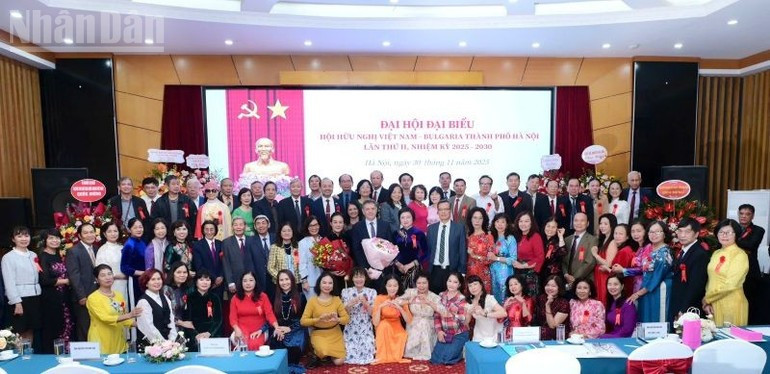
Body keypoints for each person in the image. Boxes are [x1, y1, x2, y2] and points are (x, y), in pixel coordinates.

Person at [87, 264, 142, 354]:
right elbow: (105, 318)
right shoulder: (93, 298)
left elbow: (124, 319)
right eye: (103, 275)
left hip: (119, 343)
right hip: (101, 343)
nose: (107, 277)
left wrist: (142, 325)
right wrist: (129, 315)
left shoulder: (119, 295)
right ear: (97, 280)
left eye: (109, 274)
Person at [704, 219, 749, 326]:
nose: (724, 235)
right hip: (713, 302)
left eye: (728, 232)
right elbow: (711, 279)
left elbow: (731, 284)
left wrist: (708, 298)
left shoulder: (740, 255)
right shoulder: (716, 253)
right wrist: (707, 301)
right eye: (721, 232)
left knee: (730, 339)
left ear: (736, 235)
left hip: (731, 303)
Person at [626, 221, 673, 323]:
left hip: (658, 290)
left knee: (656, 321)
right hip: (646, 290)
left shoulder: (664, 253)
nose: (653, 235)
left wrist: (638, 294)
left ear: (664, 234)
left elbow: (656, 278)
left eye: (657, 232)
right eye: (651, 232)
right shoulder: (650, 249)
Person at [301, 272, 351, 367]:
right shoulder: (312, 301)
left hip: (335, 333)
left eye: (330, 283)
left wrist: (338, 320)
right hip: (319, 334)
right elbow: (303, 321)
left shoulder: (336, 299)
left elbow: (346, 319)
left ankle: (325, 356)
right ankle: (318, 354)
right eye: (324, 282)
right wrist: (317, 320)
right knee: (323, 350)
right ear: (319, 284)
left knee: (339, 362)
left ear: (333, 286)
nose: (327, 285)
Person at [2, 226, 42, 343]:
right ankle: (20, 357)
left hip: (35, 297)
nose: (23, 239)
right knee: (20, 331)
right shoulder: (8, 257)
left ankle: (29, 356)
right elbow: (9, 282)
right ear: (13, 239)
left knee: (31, 330)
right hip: (20, 299)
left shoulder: (33, 255)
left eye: (26, 235)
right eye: (19, 236)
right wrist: (16, 302)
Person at [38, 229, 73, 353]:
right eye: (51, 238)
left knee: (67, 325)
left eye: (57, 238)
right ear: (45, 241)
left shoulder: (59, 255)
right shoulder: (43, 257)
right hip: (51, 299)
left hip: (64, 297)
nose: (55, 241)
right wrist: (66, 281)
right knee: (53, 327)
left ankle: (66, 352)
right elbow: (44, 280)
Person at [669, 218, 709, 321]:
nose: (682, 235)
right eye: (680, 231)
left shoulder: (700, 254)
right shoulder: (684, 251)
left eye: (687, 232)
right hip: (678, 303)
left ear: (696, 234)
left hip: (689, 309)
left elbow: (696, 286)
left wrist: (684, 309)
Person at [229, 271, 280, 350]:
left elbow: (270, 314)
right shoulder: (235, 298)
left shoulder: (263, 296)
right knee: (243, 343)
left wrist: (277, 327)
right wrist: (237, 330)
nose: (248, 283)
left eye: (251, 280)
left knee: (254, 344)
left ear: (255, 282)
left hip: (259, 330)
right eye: (245, 281)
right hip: (241, 329)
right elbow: (233, 318)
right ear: (241, 283)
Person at [66, 223, 99, 342]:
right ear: (80, 235)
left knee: (97, 327)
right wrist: (81, 296)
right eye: (86, 233)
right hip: (84, 296)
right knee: (85, 328)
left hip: (98, 295)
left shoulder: (97, 248)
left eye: (92, 232)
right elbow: (74, 275)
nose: (89, 235)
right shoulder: (73, 251)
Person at [736, 204, 767, 324]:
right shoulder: (733, 228)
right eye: (741, 213)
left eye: (747, 214)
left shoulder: (758, 230)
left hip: (750, 272)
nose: (743, 216)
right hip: (733, 270)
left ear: (752, 216)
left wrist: (733, 240)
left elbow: (751, 245)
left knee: (749, 302)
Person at [426, 200, 467, 294]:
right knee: (435, 300)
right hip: (434, 271)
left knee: (451, 301)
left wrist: (462, 272)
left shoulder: (459, 228)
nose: (443, 212)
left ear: (450, 211)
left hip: (451, 271)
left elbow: (462, 250)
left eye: (446, 209)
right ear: (437, 212)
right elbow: (428, 251)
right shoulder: (431, 229)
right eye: (441, 209)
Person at [401, 272, 443, 361]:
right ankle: (414, 351)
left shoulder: (434, 297)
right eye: (419, 283)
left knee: (424, 323)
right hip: (413, 323)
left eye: (424, 283)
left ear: (428, 283)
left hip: (429, 324)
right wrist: (409, 301)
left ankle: (425, 353)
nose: (421, 286)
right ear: (415, 284)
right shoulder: (411, 292)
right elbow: (397, 301)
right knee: (420, 324)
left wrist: (429, 303)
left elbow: (442, 311)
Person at [371, 274, 412, 364]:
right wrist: (380, 307)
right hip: (382, 326)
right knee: (384, 325)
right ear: (385, 286)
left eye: (395, 286)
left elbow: (409, 320)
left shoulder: (401, 299)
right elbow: (375, 322)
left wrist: (400, 308)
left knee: (401, 335)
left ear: (398, 286)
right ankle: (382, 356)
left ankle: (393, 357)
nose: (392, 288)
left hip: (397, 326)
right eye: (389, 286)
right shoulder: (379, 298)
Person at [271, 270, 307, 370]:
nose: (284, 282)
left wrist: (290, 328)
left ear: (292, 280)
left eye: (287, 279)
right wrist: (277, 328)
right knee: (277, 355)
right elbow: (271, 317)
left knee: (292, 356)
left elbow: (304, 319)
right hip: (279, 329)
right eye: (281, 280)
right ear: (278, 282)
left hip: (296, 329)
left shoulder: (301, 296)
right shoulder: (274, 296)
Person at [430, 272, 468, 365]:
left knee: (448, 359)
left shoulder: (462, 298)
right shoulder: (441, 295)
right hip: (445, 332)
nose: (451, 284)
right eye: (449, 281)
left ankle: (462, 349)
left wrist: (448, 307)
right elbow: (437, 315)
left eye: (455, 282)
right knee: (436, 360)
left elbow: (462, 319)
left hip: (458, 333)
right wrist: (439, 331)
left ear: (459, 284)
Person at [351, 200, 394, 281]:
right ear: (363, 211)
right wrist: (366, 267)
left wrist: (384, 263)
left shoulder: (385, 225)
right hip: (366, 270)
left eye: (373, 208)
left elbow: (390, 246)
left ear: (377, 210)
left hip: (383, 268)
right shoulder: (357, 227)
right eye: (367, 209)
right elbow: (357, 249)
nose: (370, 211)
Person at [341, 267, 376, 365]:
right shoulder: (345, 291)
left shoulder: (372, 292)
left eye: (361, 277)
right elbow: (343, 313)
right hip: (351, 324)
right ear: (352, 278)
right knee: (349, 353)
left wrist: (366, 303)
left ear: (365, 278)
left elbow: (372, 313)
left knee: (368, 352)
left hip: (366, 324)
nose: (359, 279)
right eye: (356, 277)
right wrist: (349, 304)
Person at [136, 269, 178, 344]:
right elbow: (148, 328)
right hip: (151, 345)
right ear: (146, 283)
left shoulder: (164, 297)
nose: (157, 282)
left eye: (159, 279)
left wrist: (172, 340)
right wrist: (164, 344)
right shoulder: (143, 302)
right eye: (153, 279)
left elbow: (171, 320)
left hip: (168, 343)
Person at [393, 208, 429, 289]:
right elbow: (391, 252)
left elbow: (426, 252)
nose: (405, 220)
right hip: (398, 268)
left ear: (413, 218)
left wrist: (411, 265)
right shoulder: (396, 233)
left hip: (414, 269)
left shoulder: (419, 233)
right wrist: (399, 265)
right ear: (399, 219)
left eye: (408, 217)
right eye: (402, 217)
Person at [185, 269, 223, 345]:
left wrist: (209, 333)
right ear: (196, 282)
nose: (204, 282)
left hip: (212, 334)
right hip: (195, 335)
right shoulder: (189, 298)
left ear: (211, 282)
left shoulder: (215, 297)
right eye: (201, 280)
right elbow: (187, 320)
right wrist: (196, 335)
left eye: (207, 280)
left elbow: (218, 319)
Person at [163, 262, 196, 350]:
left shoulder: (184, 289)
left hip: (182, 328)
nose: (182, 275)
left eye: (185, 272)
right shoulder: (166, 289)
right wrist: (182, 323)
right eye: (179, 272)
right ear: (172, 273)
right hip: (169, 328)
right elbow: (165, 314)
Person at [562, 213, 598, 291]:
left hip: (584, 282)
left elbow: (590, 262)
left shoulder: (592, 240)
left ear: (588, 223)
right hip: (566, 281)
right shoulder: (567, 239)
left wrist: (574, 278)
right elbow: (563, 260)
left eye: (582, 221)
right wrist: (565, 274)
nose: (579, 223)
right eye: (576, 220)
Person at [512, 211, 544, 297]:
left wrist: (523, 266)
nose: (523, 224)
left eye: (526, 221)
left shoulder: (535, 236)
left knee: (529, 301)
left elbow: (540, 258)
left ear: (531, 223)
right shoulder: (516, 236)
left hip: (529, 274)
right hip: (517, 273)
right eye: (521, 221)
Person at [222, 217, 257, 296]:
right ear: (232, 227)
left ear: (245, 226)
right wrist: (230, 282)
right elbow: (226, 263)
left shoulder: (252, 240)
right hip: (235, 282)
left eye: (241, 225)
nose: (238, 227)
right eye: (235, 225)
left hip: (251, 281)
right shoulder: (226, 242)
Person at [612, 220, 650, 293]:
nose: (635, 234)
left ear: (645, 231)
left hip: (643, 287)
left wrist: (623, 270)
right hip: (636, 286)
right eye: (633, 231)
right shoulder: (639, 248)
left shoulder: (648, 247)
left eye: (638, 231)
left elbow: (643, 269)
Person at [267, 223, 301, 299]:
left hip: (296, 282)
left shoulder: (298, 246)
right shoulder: (274, 247)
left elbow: (300, 264)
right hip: (280, 284)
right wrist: (281, 278)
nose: (287, 233)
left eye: (289, 230)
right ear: (280, 233)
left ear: (292, 232)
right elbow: (270, 267)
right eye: (284, 231)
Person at [467, 275, 506, 342]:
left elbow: (503, 313)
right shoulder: (470, 301)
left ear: (481, 285)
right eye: (470, 286)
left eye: (475, 284)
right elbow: (466, 322)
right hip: (478, 335)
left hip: (492, 335)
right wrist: (468, 312)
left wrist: (485, 314)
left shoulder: (489, 298)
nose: (473, 288)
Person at [191, 220, 224, 297]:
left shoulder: (221, 244)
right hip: (206, 282)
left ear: (215, 230)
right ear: (203, 230)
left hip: (220, 283)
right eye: (206, 229)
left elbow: (224, 263)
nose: (209, 232)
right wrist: (214, 278)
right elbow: (199, 266)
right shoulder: (197, 245)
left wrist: (221, 276)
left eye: (212, 229)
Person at [489, 213, 517, 304]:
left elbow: (513, 259)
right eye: (497, 222)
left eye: (503, 222)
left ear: (507, 224)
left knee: (504, 294)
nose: (500, 224)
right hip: (492, 271)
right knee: (493, 294)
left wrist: (496, 258)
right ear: (494, 223)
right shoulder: (492, 238)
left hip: (505, 272)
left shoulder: (510, 238)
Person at [466, 207, 495, 293]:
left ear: (484, 220)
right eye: (474, 218)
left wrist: (475, 256)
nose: (477, 221)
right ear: (470, 219)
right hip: (469, 273)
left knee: (484, 301)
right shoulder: (468, 237)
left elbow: (490, 259)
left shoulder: (488, 237)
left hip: (483, 275)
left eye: (480, 218)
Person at [591, 214, 618, 304]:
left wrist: (595, 254)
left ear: (612, 225)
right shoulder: (603, 240)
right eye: (601, 223)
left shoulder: (612, 242)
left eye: (605, 224)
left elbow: (608, 264)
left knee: (604, 300)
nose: (602, 226)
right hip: (598, 274)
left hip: (605, 276)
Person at [535, 275, 570, 340]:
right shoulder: (541, 298)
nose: (550, 288)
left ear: (559, 288)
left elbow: (552, 325)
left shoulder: (564, 303)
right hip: (541, 334)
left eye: (553, 286)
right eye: (547, 285)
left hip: (558, 337)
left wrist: (547, 305)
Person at [97, 222, 127, 298]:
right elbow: (100, 271)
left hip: (126, 283)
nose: (113, 234)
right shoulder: (103, 250)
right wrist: (118, 276)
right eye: (109, 231)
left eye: (115, 231)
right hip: (113, 284)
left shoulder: (121, 247)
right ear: (104, 234)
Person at [298, 216, 323, 300]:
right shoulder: (303, 242)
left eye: (316, 225)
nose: (314, 228)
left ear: (319, 225)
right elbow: (302, 263)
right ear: (307, 227)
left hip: (324, 281)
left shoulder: (323, 240)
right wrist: (304, 281)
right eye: (311, 226)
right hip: (310, 282)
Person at [609, 224, 636, 297]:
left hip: (623, 290)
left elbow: (620, 273)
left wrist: (607, 269)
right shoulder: (627, 249)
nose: (617, 236)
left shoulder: (624, 251)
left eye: (621, 234)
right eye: (615, 233)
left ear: (627, 236)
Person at [540, 219, 567, 289]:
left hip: (554, 277)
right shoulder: (540, 240)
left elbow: (563, 252)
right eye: (548, 226)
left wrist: (561, 236)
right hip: (541, 274)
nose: (550, 229)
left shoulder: (558, 242)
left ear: (557, 229)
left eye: (553, 227)